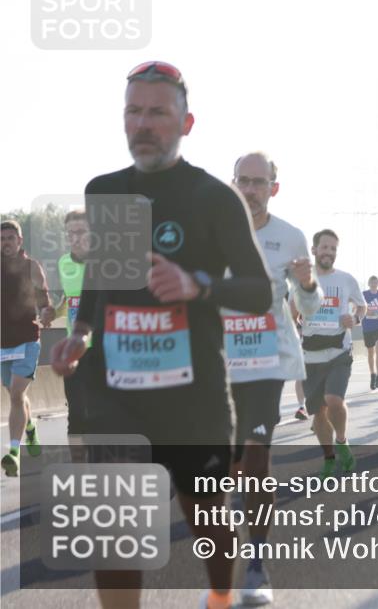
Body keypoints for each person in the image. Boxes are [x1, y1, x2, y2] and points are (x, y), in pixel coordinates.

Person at [50, 61, 272, 609]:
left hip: (192, 396)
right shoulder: (107, 191)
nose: (143, 124)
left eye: (157, 112)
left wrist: (196, 285)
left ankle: (222, 594)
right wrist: (80, 334)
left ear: (185, 123)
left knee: (205, 520)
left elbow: (258, 291)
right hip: (114, 390)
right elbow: (108, 276)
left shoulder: (214, 198)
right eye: (133, 111)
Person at [224, 151, 322, 606]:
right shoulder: (212, 230)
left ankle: (257, 565)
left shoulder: (291, 237)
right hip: (215, 361)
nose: (249, 189)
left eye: (258, 182)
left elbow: (308, 309)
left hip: (264, 361)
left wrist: (305, 284)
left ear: (273, 189)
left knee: (256, 460)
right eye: (242, 180)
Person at [300, 229, 365, 478]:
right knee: (318, 411)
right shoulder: (300, 279)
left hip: (339, 351)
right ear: (314, 250)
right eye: (324, 247)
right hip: (310, 355)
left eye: (333, 249)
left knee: (334, 400)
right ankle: (328, 457)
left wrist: (356, 317)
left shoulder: (346, 279)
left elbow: (362, 305)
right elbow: (290, 309)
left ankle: (342, 440)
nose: (329, 252)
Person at [1, 219, 55, 476]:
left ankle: (13, 453)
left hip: (27, 338)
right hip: (2, 342)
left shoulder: (32, 267)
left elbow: (45, 301)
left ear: (20, 241)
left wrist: (46, 313)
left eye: (10, 238)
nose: (6, 243)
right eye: (2, 239)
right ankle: (30, 427)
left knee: (15, 395)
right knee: (16, 395)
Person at [54, 210, 91, 447]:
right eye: (70, 234)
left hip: (104, 352)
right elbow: (69, 300)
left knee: (104, 417)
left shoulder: (109, 265)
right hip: (74, 352)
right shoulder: (63, 263)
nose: (75, 238)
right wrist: (53, 312)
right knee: (76, 415)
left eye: (80, 232)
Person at [362, 276, 378, 390]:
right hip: (367, 327)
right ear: (368, 283)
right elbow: (359, 307)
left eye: (376, 282)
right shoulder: (364, 294)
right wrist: (367, 311)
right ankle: (372, 374)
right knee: (371, 352)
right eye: (372, 282)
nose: (374, 283)